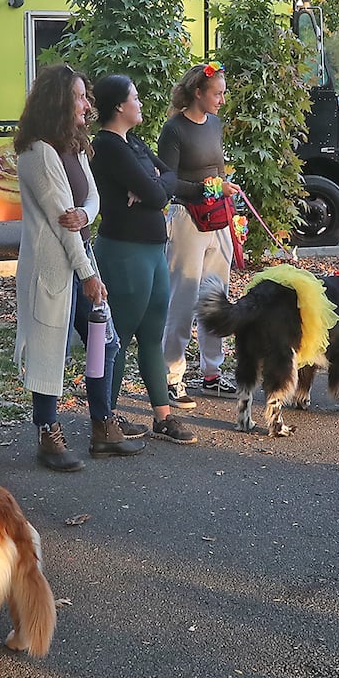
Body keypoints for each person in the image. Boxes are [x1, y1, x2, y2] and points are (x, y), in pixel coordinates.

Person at [14, 63, 143, 471]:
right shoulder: (38, 152)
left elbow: (90, 203)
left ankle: (103, 426)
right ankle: (48, 434)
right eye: (80, 97)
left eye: (87, 96)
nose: (88, 105)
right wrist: (87, 275)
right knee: (48, 350)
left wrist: (86, 218)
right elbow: (59, 220)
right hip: (54, 267)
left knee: (104, 342)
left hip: (81, 256)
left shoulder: (75, 145)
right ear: (58, 102)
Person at [89, 74, 196, 446]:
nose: (140, 102)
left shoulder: (131, 141)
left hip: (153, 250)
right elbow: (156, 191)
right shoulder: (107, 146)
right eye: (134, 97)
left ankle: (162, 416)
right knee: (116, 337)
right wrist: (153, 187)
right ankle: (106, 416)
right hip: (124, 253)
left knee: (152, 334)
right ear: (119, 105)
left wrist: (154, 184)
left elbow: (167, 179)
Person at [159, 62, 241, 406]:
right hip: (186, 219)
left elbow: (218, 171)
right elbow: (167, 180)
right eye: (217, 93)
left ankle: (211, 372)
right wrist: (209, 190)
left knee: (214, 298)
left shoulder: (216, 124)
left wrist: (225, 198)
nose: (222, 100)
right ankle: (170, 376)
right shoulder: (174, 130)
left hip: (219, 220)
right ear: (198, 93)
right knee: (182, 299)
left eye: (223, 93)